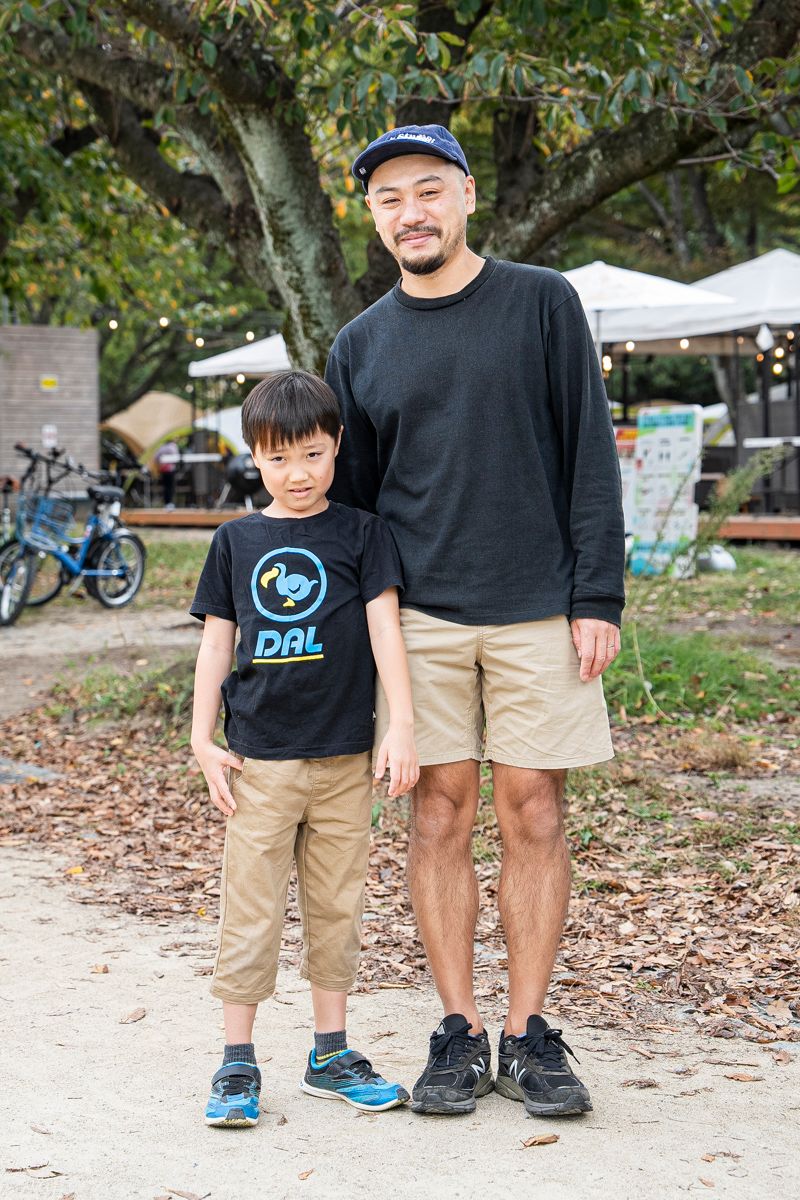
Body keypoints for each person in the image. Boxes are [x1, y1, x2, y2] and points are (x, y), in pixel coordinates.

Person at [326, 125, 626, 1120]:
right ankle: (455, 1033)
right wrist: (362, 637)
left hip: (539, 603)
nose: (406, 212)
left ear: (463, 199)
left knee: (532, 807)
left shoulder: (541, 302)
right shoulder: (359, 342)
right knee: (439, 811)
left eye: (425, 191)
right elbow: (358, 509)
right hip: (419, 620)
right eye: (386, 201)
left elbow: (588, 451)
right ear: (373, 220)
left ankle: (530, 1035)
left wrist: (596, 595)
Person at [190, 369, 419, 1127]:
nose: (299, 474)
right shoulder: (236, 541)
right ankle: (237, 1062)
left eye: (315, 455)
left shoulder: (361, 533)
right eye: (281, 458)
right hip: (260, 760)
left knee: (335, 908)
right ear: (254, 456)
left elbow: (387, 633)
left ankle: (330, 1051)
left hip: (345, 759)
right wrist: (201, 737)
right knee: (250, 910)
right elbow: (216, 645)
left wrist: (402, 724)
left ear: (337, 448)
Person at [154, 438, 179, 510]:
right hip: (170, 469)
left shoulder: (162, 447)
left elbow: (156, 457)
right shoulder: (173, 446)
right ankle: (170, 503)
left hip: (163, 469)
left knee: (166, 487)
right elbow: (176, 457)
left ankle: (166, 503)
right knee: (170, 486)